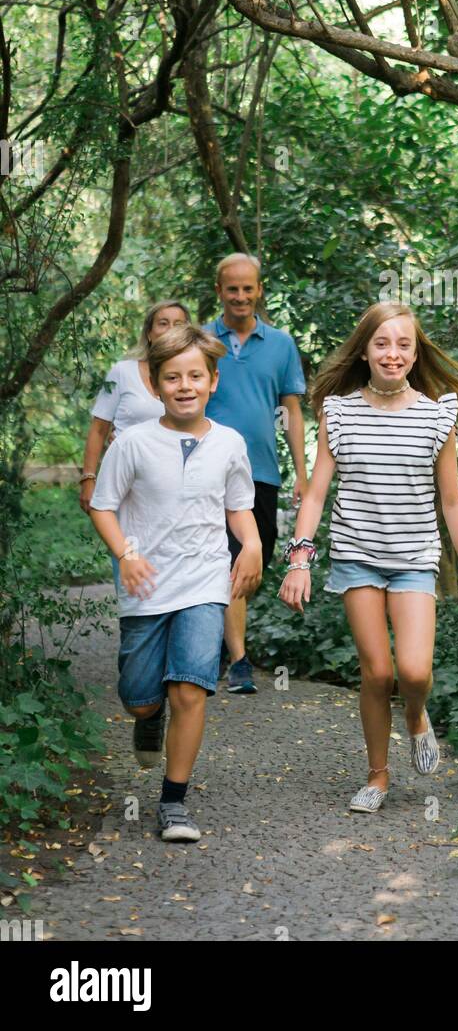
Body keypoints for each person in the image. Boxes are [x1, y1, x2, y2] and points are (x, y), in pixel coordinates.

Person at [277, 301, 458, 813]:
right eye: (382, 343)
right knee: (376, 673)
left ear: (415, 354)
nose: (392, 354)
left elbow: (453, 501)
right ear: (365, 350)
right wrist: (299, 559)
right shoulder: (339, 411)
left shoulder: (439, 414)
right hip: (356, 555)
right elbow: (317, 492)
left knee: (413, 672)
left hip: (416, 556)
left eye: (404, 344)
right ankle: (378, 776)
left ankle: (416, 715)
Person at [89, 324, 262, 842]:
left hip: (204, 582)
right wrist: (127, 554)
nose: (184, 385)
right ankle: (147, 717)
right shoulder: (134, 443)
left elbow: (239, 507)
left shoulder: (230, 443)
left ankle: (173, 802)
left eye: (195, 376)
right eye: (172, 377)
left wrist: (250, 545)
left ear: (213, 380)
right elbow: (103, 507)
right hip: (145, 587)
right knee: (142, 698)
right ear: (156, 385)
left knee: (190, 689)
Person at [203, 254, 308, 694]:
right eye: (233, 289)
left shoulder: (281, 344)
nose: (241, 297)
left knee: (252, 563)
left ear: (259, 290)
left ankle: (218, 650)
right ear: (219, 291)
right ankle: (236, 660)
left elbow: (292, 411)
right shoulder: (202, 339)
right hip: (205, 469)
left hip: (261, 471)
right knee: (222, 562)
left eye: (248, 288)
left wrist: (303, 473)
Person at [79, 300, 192, 515]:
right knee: (125, 546)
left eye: (178, 324)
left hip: (176, 482)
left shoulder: (195, 379)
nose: (170, 330)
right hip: (125, 480)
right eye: (163, 323)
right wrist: (88, 478)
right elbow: (99, 429)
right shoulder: (123, 371)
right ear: (149, 333)